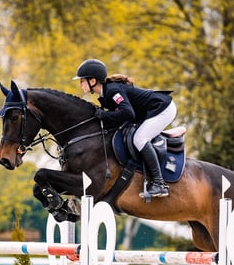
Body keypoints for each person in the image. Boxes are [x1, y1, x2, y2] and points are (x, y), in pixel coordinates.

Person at [73, 58, 176, 198]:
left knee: (140, 139)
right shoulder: (104, 94)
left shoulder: (112, 91)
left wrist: (104, 115)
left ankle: (159, 184)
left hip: (163, 108)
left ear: (92, 81)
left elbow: (128, 113)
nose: (80, 84)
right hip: (150, 111)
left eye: (82, 81)